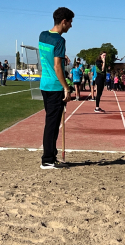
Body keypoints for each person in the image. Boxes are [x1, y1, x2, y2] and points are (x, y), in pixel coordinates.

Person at [39, 7, 74, 169]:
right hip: (54, 87)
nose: (71, 26)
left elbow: (49, 56)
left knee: (50, 122)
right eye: (70, 22)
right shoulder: (60, 41)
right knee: (52, 124)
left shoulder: (43, 35)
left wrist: (61, 56)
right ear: (63, 22)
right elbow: (57, 67)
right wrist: (66, 87)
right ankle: (47, 159)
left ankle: (50, 156)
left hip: (44, 85)